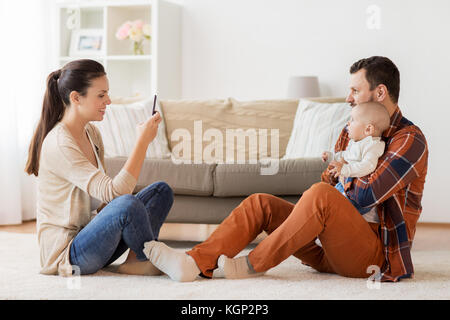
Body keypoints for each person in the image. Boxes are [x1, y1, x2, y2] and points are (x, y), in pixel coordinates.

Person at [141, 56, 429, 283]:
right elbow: (329, 181)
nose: (347, 97)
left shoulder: (409, 139)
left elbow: (365, 196)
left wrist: (336, 178)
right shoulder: (350, 128)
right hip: (328, 245)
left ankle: (250, 265)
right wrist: (336, 176)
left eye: (355, 90)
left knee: (319, 195)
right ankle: (193, 263)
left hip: (373, 256)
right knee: (260, 203)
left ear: (380, 92)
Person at [25, 59, 173, 276]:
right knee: (127, 203)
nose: (109, 101)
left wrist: (112, 215)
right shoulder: (59, 143)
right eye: (101, 95)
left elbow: (107, 200)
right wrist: (142, 142)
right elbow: (117, 193)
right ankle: (147, 258)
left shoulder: (92, 133)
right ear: (76, 98)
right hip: (69, 255)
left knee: (161, 191)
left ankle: (135, 261)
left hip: (93, 241)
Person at [321, 101, 390, 218]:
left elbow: (368, 165)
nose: (348, 123)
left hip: (355, 198)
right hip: (343, 187)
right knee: (322, 199)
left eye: (352, 120)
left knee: (331, 211)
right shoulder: (356, 142)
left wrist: (345, 169)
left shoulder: (373, 145)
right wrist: (331, 157)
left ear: (368, 129)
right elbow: (346, 155)